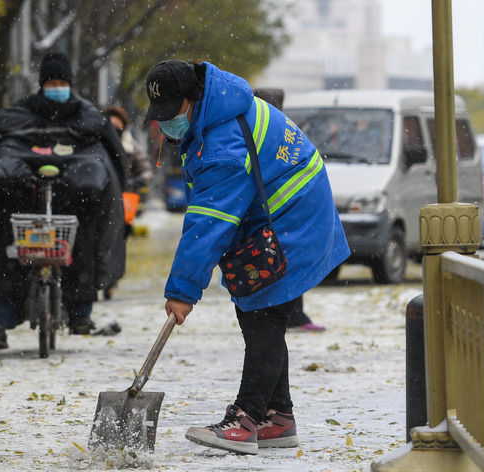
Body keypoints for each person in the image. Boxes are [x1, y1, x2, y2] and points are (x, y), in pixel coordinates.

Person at [145, 59, 350, 455]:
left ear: (192, 98)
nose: (167, 124)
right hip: (277, 212)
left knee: (264, 315)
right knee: (260, 311)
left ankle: (247, 419)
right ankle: (279, 417)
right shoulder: (216, 107)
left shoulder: (222, 143)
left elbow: (209, 222)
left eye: (172, 114)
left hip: (293, 216)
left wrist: (183, 290)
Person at [0, 52, 127, 349]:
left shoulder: (88, 116)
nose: (57, 87)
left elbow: (110, 159)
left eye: (62, 82)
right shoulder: (19, 115)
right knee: (10, 253)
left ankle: (80, 315)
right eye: (52, 82)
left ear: (70, 84)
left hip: (74, 208)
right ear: (41, 85)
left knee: (82, 248)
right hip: (26, 203)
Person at [252, 88, 326, 333]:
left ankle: (290, 314)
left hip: (281, 211)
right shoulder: (275, 130)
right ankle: (289, 315)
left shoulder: (275, 127)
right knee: (285, 266)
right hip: (279, 212)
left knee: (285, 265)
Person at [102, 105, 154, 299]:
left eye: (118, 126)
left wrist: (134, 182)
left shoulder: (130, 146)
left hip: (123, 202)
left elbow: (146, 170)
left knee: (118, 240)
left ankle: (111, 280)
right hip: (100, 201)